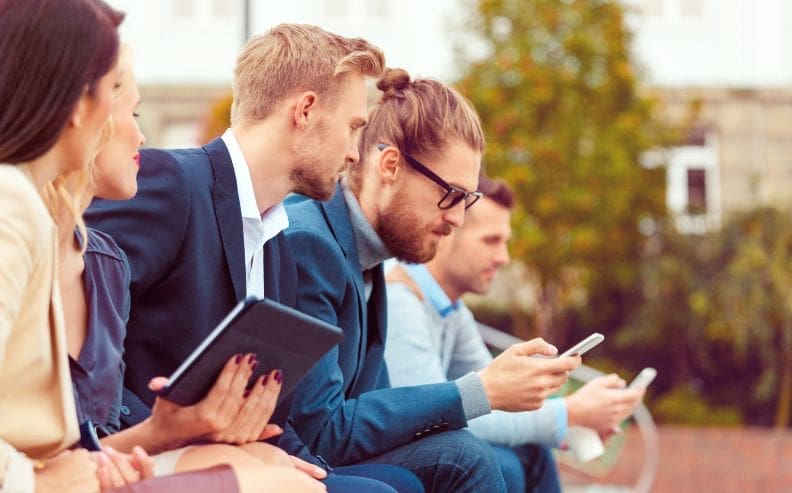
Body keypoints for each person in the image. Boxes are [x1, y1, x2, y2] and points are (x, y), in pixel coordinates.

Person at [86, 24, 420, 492]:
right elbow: (87, 335)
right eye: (353, 128)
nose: (353, 152)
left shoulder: (278, 246)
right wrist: (176, 439)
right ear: (305, 110)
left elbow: (271, 409)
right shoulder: (172, 183)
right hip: (136, 456)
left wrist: (303, 466)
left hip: (230, 458)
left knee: (395, 484)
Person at [283, 68, 581, 492]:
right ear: (390, 166)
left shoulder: (367, 256)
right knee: (464, 458)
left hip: (330, 450)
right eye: (451, 195)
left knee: (466, 454)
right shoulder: (311, 245)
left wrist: (489, 389)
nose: (457, 219)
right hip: (296, 458)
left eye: (467, 200)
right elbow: (324, 430)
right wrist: (479, 391)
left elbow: (371, 405)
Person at [56, 49, 323, 492]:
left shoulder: (106, 262)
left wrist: (176, 431)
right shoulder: (171, 187)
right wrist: (174, 437)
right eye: (133, 112)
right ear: (82, 117)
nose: (142, 137)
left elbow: (96, 440)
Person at [383, 175, 647, 492]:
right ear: (447, 232)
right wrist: (569, 414)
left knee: (530, 452)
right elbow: (432, 419)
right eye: (491, 240)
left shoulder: (452, 312)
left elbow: (495, 402)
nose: (504, 258)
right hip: (382, 450)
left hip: (419, 447)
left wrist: (573, 416)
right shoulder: (400, 300)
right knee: (504, 464)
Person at [0, 0, 126, 491]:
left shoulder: (22, 199)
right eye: (113, 91)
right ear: (77, 103)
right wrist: (39, 482)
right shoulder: (11, 202)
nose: (114, 118)